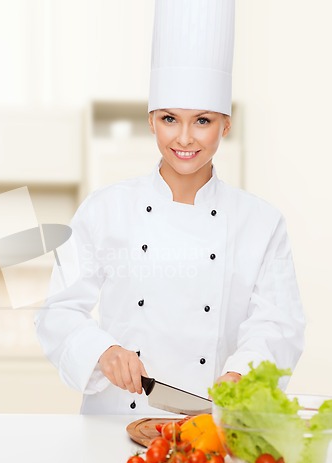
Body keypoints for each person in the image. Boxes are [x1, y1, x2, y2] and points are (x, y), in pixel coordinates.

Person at [35, 0, 305, 415]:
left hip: (210, 426)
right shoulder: (106, 209)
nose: (184, 139)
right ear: (150, 121)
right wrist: (102, 351)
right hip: (114, 427)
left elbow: (278, 323)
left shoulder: (261, 223)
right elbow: (59, 311)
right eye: (168, 119)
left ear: (225, 126)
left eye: (202, 121)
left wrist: (243, 374)